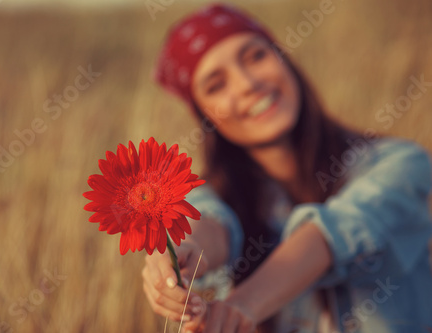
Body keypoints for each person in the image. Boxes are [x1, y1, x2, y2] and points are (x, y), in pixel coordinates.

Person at [142, 3, 432, 333]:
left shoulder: (400, 163)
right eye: (216, 85)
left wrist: (242, 306)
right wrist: (181, 248)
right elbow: (206, 220)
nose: (247, 83)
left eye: (255, 56)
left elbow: (333, 235)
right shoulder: (217, 196)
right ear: (205, 116)